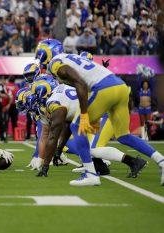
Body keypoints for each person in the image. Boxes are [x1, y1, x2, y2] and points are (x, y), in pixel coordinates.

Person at [35, 39, 164, 186]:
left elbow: (81, 84)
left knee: (76, 127)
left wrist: (84, 114)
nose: (40, 59)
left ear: (47, 52)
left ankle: (90, 174)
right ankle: (162, 161)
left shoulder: (56, 63)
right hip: (120, 87)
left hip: (104, 89)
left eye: (41, 55)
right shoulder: (71, 58)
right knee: (124, 136)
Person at [136, 64, 154, 140]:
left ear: (148, 85)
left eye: (146, 84)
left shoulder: (150, 90)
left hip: (148, 108)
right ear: (142, 85)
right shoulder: (140, 90)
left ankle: (147, 136)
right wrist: (139, 74)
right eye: (144, 84)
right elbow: (138, 81)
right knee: (141, 122)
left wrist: (152, 76)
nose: (145, 85)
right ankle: (143, 136)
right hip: (141, 108)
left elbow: (152, 83)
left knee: (147, 122)